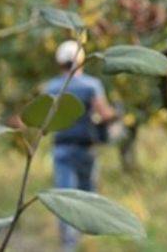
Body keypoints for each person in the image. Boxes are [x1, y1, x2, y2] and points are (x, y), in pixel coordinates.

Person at [44, 40, 116, 251]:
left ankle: (68, 244)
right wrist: (115, 116)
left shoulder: (52, 87)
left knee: (65, 197)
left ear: (59, 62)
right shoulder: (91, 85)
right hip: (86, 148)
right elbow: (104, 114)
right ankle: (88, 238)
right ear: (81, 61)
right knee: (87, 196)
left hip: (61, 148)